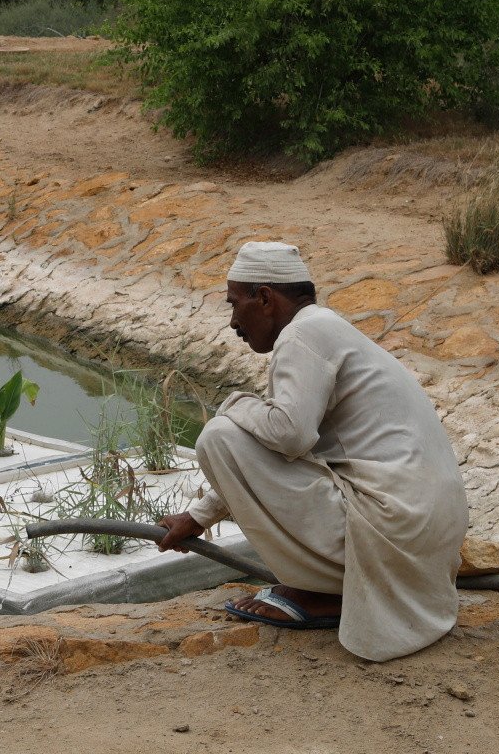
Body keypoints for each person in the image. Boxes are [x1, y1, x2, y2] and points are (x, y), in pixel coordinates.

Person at [156, 240, 468, 661]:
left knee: (217, 435)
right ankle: (329, 584)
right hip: (422, 532)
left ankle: (323, 592)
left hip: (393, 527)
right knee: (232, 433)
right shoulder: (321, 328)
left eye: (234, 305)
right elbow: (281, 446)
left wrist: (234, 403)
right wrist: (198, 517)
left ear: (264, 298)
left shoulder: (303, 334)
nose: (232, 322)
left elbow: (289, 436)